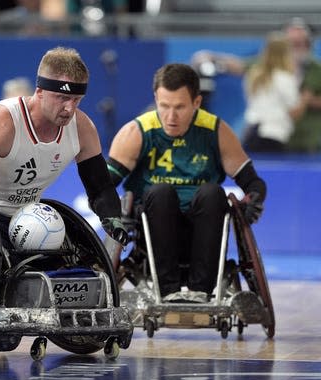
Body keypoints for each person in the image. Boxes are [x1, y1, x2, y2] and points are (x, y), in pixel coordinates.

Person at [0, 46, 129, 274]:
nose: (70, 108)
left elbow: (101, 188)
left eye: (77, 99)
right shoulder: (2, 121)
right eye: (62, 98)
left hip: (29, 217)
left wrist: (111, 217)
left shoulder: (82, 127)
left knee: (76, 270)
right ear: (40, 92)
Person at [106, 63, 267, 303]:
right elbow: (103, 184)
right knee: (161, 193)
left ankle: (200, 289)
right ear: (156, 99)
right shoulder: (137, 132)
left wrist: (253, 200)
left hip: (205, 226)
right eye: (164, 106)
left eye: (180, 107)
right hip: (152, 227)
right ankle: (167, 289)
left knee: (213, 193)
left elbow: (252, 182)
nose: (171, 117)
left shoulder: (216, 130)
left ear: (197, 103)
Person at [191, 17, 321, 153]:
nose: (294, 49)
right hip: (274, 135)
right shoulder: (270, 72)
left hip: (302, 141)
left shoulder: (314, 70)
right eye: (291, 44)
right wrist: (211, 57)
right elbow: (240, 65)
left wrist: (309, 100)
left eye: (299, 43)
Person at [243, 32, 305, 153]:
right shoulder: (285, 78)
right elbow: (294, 110)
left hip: (251, 132)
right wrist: (306, 98)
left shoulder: (254, 75)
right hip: (273, 135)